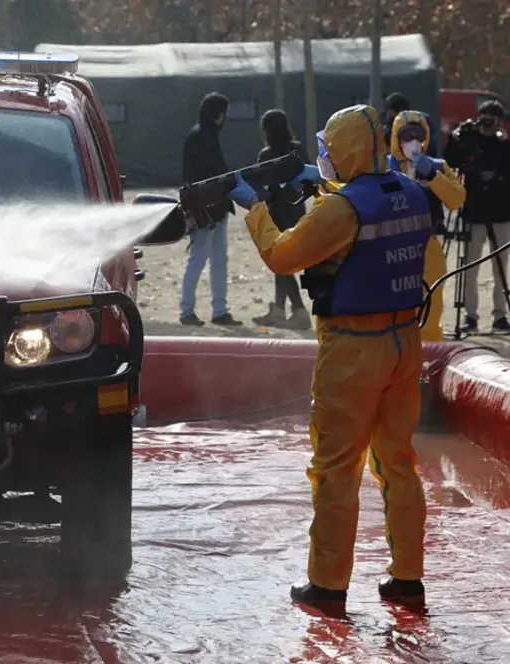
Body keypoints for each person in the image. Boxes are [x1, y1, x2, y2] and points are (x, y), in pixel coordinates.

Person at [225, 104, 431, 608]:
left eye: (329, 149)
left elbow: (284, 254)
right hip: (405, 344)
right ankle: (407, 578)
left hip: (353, 351)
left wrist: (253, 207)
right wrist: (324, 190)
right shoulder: (410, 192)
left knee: (336, 469)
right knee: (398, 464)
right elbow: (366, 222)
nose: (324, 156)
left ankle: (327, 585)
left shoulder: (341, 210)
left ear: (346, 150)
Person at [387, 110, 467, 342]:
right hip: (390, 247)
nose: (412, 142)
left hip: (427, 246)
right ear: (395, 138)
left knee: (431, 304)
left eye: (418, 136)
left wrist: (431, 175)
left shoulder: (438, 167)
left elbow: (457, 199)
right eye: (406, 136)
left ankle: (429, 353)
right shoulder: (382, 168)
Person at [443, 100, 510, 334]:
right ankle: (470, 315)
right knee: (470, 268)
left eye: (492, 120)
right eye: (484, 118)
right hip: (474, 214)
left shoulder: (504, 146)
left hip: (501, 214)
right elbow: (450, 161)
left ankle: (500, 317)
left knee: (501, 268)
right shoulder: (469, 141)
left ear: (500, 122)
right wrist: (456, 137)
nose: (487, 125)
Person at [179, 92, 241, 327]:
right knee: (199, 258)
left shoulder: (201, 135)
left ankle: (220, 311)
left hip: (214, 209)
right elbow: (217, 174)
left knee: (218, 259)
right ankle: (187, 311)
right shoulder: (203, 138)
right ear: (218, 115)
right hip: (204, 211)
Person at [250, 109, 312, 330]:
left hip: (276, 214)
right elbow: (309, 177)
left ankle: (298, 310)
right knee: (283, 262)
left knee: (280, 264)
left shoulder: (266, 155)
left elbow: (259, 184)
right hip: (298, 213)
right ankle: (278, 309)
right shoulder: (298, 150)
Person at [384, 92, 439, 158]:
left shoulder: (400, 123)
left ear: (400, 110)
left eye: (389, 109)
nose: (387, 112)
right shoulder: (422, 118)